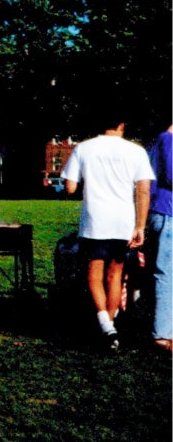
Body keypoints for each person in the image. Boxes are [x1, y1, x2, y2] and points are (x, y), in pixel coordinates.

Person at [62, 112, 155, 349]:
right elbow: (143, 191)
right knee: (116, 275)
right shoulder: (136, 151)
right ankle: (110, 327)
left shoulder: (83, 148)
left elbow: (70, 187)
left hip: (95, 219)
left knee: (94, 274)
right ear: (123, 124)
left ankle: (105, 325)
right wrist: (140, 226)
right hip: (123, 221)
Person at [145, 126, 172, 349]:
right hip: (168, 213)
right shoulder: (169, 140)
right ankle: (162, 333)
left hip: (158, 211)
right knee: (166, 273)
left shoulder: (158, 141)